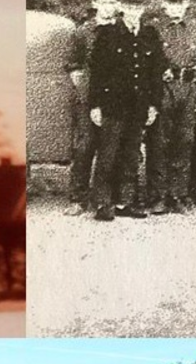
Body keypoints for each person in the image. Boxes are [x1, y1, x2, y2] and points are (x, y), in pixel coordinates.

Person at [88, 0, 164, 221]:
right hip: (113, 105)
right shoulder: (108, 34)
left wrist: (153, 105)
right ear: (122, 9)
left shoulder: (150, 35)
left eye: (138, 8)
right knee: (108, 154)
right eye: (130, 8)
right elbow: (97, 74)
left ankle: (125, 201)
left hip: (139, 106)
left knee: (131, 154)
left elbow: (155, 75)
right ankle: (103, 202)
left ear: (143, 10)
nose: (133, 13)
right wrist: (95, 105)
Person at [144, 0, 196, 214]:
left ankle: (179, 194)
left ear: (187, 5)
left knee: (185, 141)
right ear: (164, 5)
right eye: (171, 4)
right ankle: (158, 195)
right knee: (159, 142)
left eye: (179, 3)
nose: (175, 9)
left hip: (189, 90)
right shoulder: (154, 28)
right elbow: (147, 62)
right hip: (163, 90)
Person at [65, 0, 121, 216]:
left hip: (114, 98)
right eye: (104, 1)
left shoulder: (122, 30)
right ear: (96, 3)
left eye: (113, 2)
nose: (108, 6)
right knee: (84, 146)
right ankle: (77, 198)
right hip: (88, 97)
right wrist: (85, 94)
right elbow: (74, 66)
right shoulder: (84, 32)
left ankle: (104, 198)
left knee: (110, 148)